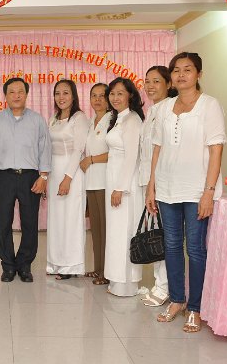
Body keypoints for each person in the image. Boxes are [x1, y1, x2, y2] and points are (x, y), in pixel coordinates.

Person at [147, 52, 226, 333]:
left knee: (195, 248)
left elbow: (216, 150)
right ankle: (177, 300)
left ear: (198, 74)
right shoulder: (165, 108)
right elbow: (158, 149)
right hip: (167, 187)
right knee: (171, 246)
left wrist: (208, 192)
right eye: (176, 70)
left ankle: (195, 307)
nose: (181, 75)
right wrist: (152, 186)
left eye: (187, 69)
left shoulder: (209, 105)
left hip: (196, 191)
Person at [0, 77, 51, 283]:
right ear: (5, 96)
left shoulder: (37, 120)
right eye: (12, 92)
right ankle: (7, 266)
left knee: (30, 223)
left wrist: (43, 176)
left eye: (20, 92)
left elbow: (45, 148)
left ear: (26, 94)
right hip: (3, 177)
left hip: (30, 177)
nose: (16, 96)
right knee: (3, 223)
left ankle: (24, 265)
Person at [103, 77, 145, 297]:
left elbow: (131, 157)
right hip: (114, 180)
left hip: (125, 185)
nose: (115, 97)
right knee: (116, 232)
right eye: (112, 93)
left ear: (131, 95)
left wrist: (120, 188)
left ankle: (126, 284)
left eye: (120, 93)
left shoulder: (132, 120)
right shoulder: (118, 118)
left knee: (124, 232)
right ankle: (116, 280)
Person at [138, 66, 175, 307]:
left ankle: (165, 287)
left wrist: (153, 183)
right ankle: (160, 283)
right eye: (147, 81)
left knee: (163, 235)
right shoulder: (152, 110)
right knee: (157, 233)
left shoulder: (170, 109)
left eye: (156, 81)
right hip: (148, 180)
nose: (150, 86)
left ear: (168, 84)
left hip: (160, 181)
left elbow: (162, 150)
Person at [46, 79, 90, 280]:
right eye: (57, 93)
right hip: (54, 171)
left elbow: (78, 149)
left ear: (73, 96)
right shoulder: (54, 118)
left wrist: (67, 178)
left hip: (71, 172)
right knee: (56, 219)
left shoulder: (79, 118)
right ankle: (56, 263)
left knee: (71, 219)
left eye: (65, 93)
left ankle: (71, 265)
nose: (61, 97)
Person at [79, 83, 111, 285]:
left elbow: (115, 152)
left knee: (106, 229)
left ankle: (107, 271)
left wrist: (91, 160)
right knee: (96, 229)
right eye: (94, 96)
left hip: (105, 181)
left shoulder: (112, 121)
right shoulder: (91, 122)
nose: (98, 99)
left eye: (102, 96)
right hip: (91, 181)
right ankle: (98, 268)